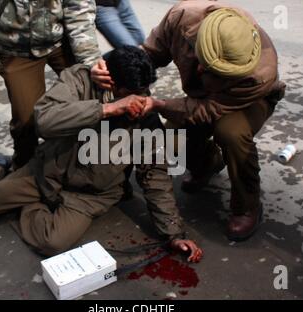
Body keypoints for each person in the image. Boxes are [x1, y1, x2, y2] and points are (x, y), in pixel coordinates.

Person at [0, 46, 203, 261]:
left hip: (90, 195)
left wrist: (173, 233)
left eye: (143, 92)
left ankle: (26, 203)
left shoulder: (146, 114)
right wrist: (106, 109)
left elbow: (155, 175)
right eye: (130, 93)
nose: (139, 100)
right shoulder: (80, 79)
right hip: (46, 172)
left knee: (52, 242)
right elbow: (45, 120)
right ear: (110, 82)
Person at [92, 1, 286, 241]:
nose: (202, 70)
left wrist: (159, 105)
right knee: (172, 143)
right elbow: (150, 54)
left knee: (230, 133)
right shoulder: (182, 17)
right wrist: (113, 70)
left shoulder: (260, 73)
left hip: (246, 102)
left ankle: (247, 205)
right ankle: (208, 164)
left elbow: (207, 111)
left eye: (217, 71)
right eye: (204, 62)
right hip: (201, 99)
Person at [0, 0, 101, 169]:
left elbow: (79, 9)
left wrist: (90, 61)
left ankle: (88, 167)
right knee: (26, 123)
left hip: (64, 42)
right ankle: (24, 171)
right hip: (15, 49)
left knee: (93, 100)